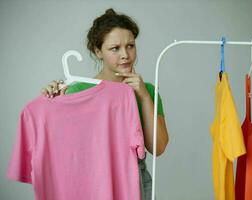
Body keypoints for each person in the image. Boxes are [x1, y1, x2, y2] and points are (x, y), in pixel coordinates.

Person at [41, 8, 169, 200]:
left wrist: (143, 97)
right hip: (91, 181)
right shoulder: (78, 91)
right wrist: (56, 104)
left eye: (130, 46)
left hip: (135, 181)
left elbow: (158, 148)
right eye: (115, 48)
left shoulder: (148, 91)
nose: (125, 55)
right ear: (97, 51)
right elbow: (64, 154)